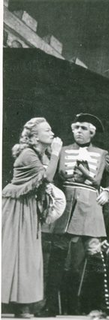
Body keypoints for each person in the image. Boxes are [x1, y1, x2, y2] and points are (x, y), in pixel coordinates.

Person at [41, 113, 109, 316]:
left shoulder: (102, 154)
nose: (78, 131)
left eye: (83, 128)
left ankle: (97, 307)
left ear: (92, 132)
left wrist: (108, 191)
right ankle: (50, 305)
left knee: (95, 255)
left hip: (90, 208)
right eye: (76, 127)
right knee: (57, 257)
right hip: (66, 207)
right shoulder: (63, 151)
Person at [2, 118, 63, 318]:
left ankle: (23, 305)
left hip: (26, 208)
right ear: (35, 136)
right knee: (15, 253)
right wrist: (55, 152)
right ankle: (20, 306)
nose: (52, 133)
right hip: (16, 207)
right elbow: (47, 178)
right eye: (48, 130)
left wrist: (51, 155)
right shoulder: (28, 154)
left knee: (26, 257)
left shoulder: (38, 154)